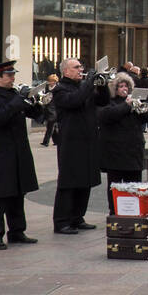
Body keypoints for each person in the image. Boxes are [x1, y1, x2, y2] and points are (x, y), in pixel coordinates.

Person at [0, 61, 42, 250]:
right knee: (1, 194)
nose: (12, 78)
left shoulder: (14, 93)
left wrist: (36, 101)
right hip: (3, 151)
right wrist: (18, 101)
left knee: (18, 192)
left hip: (19, 149)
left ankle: (17, 231)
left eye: (13, 75)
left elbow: (35, 115)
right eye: (8, 75)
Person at [50, 58, 108, 235]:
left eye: (81, 66)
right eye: (76, 67)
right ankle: (61, 221)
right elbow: (75, 101)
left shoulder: (83, 86)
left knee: (85, 180)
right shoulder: (60, 89)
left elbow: (103, 101)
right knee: (69, 181)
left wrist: (102, 83)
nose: (80, 69)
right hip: (70, 141)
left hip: (88, 139)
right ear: (65, 71)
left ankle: (77, 217)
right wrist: (89, 83)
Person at [98, 72, 147, 215]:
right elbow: (107, 116)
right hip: (115, 152)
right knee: (115, 184)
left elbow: (145, 119)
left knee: (134, 184)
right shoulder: (109, 102)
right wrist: (126, 105)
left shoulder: (134, 101)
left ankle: (134, 210)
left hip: (133, 150)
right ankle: (114, 210)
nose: (124, 89)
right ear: (115, 89)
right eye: (120, 86)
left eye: (126, 86)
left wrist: (140, 108)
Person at [40, 73, 61, 145]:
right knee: (52, 127)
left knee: (50, 126)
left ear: (55, 81)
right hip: (46, 108)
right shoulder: (46, 87)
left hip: (54, 110)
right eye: (50, 81)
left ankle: (46, 142)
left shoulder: (58, 88)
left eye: (52, 81)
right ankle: (57, 141)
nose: (51, 82)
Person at [135, 66, 148, 133]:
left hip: (140, 98)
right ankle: (144, 128)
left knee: (142, 112)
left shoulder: (138, 81)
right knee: (146, 112)